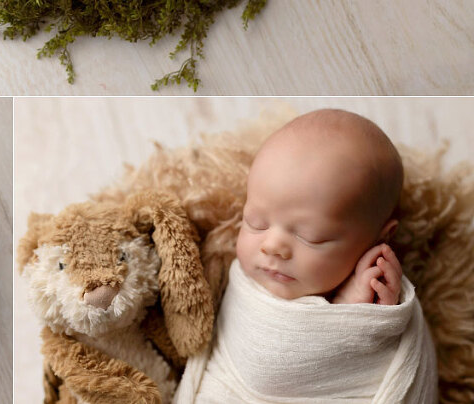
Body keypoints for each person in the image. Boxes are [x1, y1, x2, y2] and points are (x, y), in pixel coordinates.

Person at [175, 109, 438, 403]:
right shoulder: (231, 277)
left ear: (380, 238)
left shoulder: (382, 292)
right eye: (255, 222)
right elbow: (261, 366)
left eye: (311, 236)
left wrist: (365, 322)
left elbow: (389, 367)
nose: (272, 245)